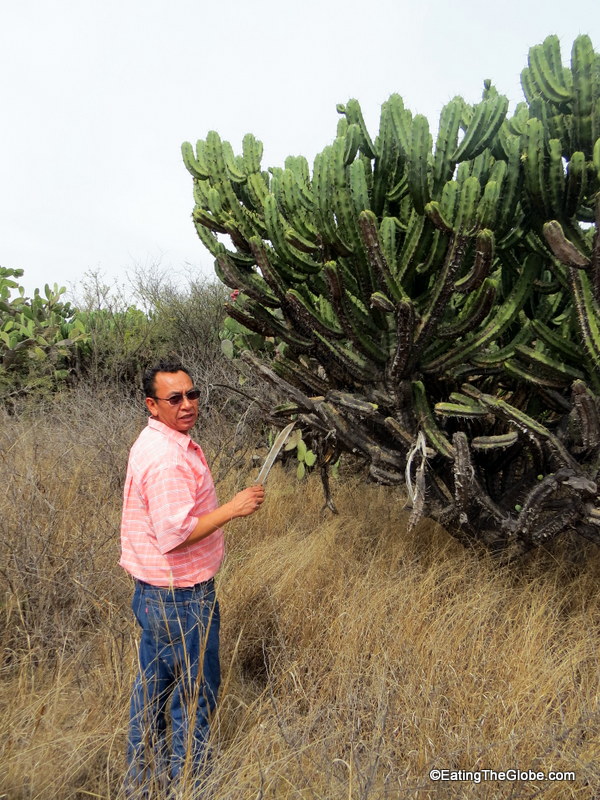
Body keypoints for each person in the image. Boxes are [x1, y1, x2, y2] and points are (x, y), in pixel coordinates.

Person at [120, 360, 265, 795]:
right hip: (181, 597)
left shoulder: (159, 441)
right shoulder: (166, 458)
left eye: (192, 394)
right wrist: (233, 509)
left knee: (154, 693)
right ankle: (191, 784)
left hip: (156, 594)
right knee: (193, 698)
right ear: (152, 404)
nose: (187, 404)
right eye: (175, 398)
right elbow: (175, 533)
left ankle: (142, 783)